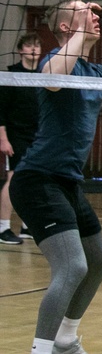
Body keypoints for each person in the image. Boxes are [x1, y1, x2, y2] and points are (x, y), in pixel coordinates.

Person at [10, 0, 102, 354]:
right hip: (37, 180)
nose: (94, 14)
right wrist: (77, 31)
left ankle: (64, 339)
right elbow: (54, 79)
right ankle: (41, 350)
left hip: (67, 183)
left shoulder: (95, 70)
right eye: (83, 11)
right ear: (64, 26)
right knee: (73, 266)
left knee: (99, 263)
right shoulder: (52, 62)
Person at [0, 32, 42, 244]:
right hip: (16, 136)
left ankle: (27, 226)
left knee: (33, 181)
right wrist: (3, 139)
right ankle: (3, 228)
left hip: (38, 137)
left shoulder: (45, 75)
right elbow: (1, 112)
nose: (34, 49)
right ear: (21, 50)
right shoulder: (11, 75)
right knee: (13, 179)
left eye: (37, 46)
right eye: (29, 46)